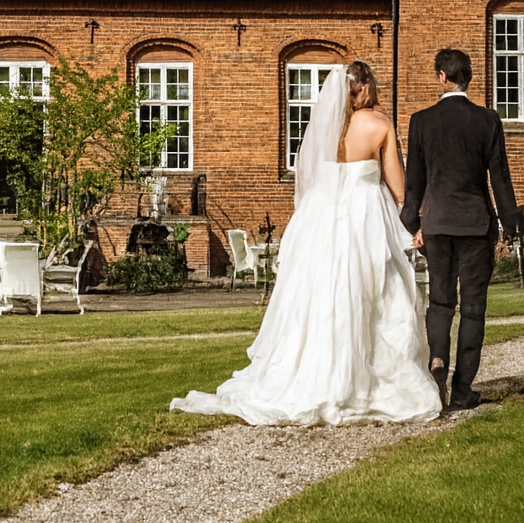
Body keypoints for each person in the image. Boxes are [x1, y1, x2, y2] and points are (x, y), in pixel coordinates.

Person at [171, 62, 442, 426]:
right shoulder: (379, 124)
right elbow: (398, 186)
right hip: (363, 219)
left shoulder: (325, 128)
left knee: (318, 297)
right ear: (364, 87)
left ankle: (314, 375)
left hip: (320, 220)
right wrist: (411, 214)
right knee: (372, 293)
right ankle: (363, 383)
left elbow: (310, 176)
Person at [400, 48, 519, 411]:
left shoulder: (421, 121)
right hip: (475, 224)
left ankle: (438, 361)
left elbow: (414, 183)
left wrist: (413, 224)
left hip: (437, 224)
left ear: (442, 76)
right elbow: (500, 177)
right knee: (472, 308)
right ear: (468, 77)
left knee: (440, 302)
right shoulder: (487, 120)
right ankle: (463, 388)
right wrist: (511, 226)